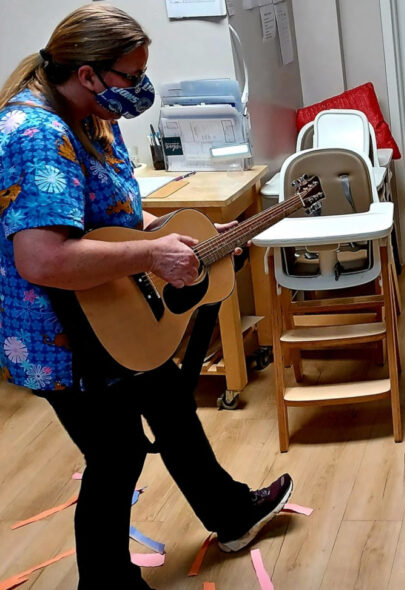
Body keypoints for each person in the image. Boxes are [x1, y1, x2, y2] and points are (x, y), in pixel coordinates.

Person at [0, 6, 292, 589]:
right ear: (87, 74)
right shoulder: (33, 134)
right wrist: (150, 256)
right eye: (132, 77)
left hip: (112, 309)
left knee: (170, 404)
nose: (141, 89)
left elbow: (113, 214)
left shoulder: (90, 114)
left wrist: (178, 239)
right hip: (63, 337)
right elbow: (44, 258)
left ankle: (231, 515)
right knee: (116, 456)